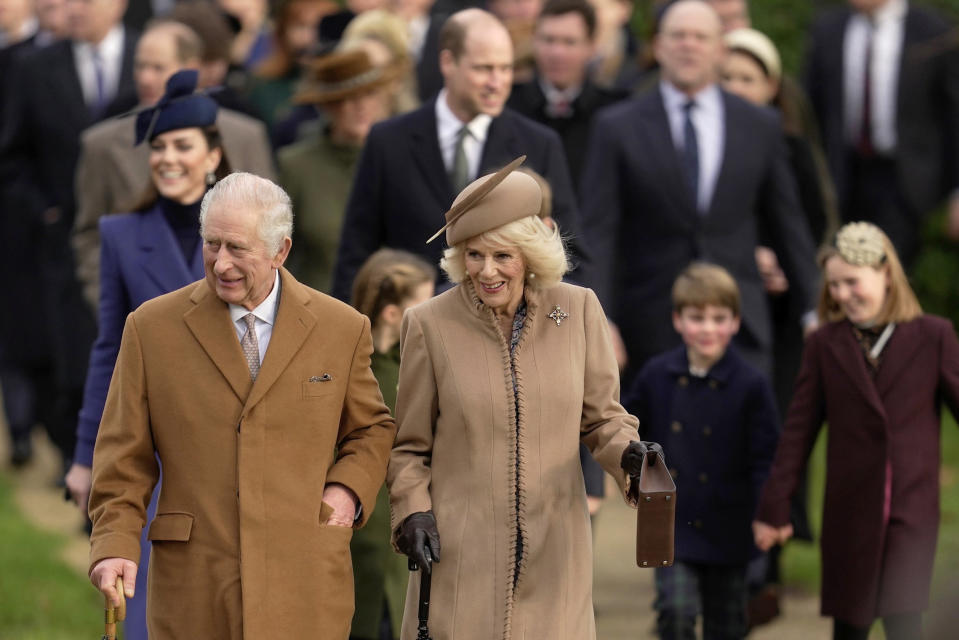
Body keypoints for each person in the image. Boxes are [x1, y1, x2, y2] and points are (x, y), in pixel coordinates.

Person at [86, 171, 397, 638]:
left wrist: (347, 491)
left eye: (238, 249)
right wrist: (113, 544)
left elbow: (370, 429)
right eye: (212, 245)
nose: (221, 263)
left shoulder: (342, 328)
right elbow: (121, 457)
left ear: (281, 251)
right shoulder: (150, 329)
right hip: (196, 584)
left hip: (305, 579)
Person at [387, 160, 660, 639]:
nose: (486, 272)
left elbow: (603, 421)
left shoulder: (579, 311)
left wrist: (629, 456)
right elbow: (409, 447)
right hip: (459, 555)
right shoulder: (429, 324)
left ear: (530, 254)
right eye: (473, 256)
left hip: (555, 552)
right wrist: (413, 509)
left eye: (501, 256)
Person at [65, 68, 230, 640]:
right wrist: (88, 456)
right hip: (157, 457)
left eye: (182, 145)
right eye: (157, 147)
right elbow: (107, 350)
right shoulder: (119, 233)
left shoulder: (253, 235)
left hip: (236, 459)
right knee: (146, 615)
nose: (167, 158)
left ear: (213, 154)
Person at [579, 0, 818, 382]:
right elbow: (599, 230)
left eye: (700, 37)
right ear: (659, 47)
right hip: (650, 326)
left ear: (721, 50)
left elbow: (789, 223)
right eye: (678, 36)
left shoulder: (759, 125)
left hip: (739, 323)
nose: (688, 45)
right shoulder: (616, 126)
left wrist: (813, 310)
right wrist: (600, 317)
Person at [754, 221, 959, 640]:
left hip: (911, 510)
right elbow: (798, 432)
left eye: (852, 282)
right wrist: (775, 504)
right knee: (851, 625)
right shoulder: (825, 344)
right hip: (849, 512)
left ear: (885, 273)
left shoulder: (933, 336)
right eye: (835, 286)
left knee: (905, 621)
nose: (844, 295)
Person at [330, 7, 583, 302]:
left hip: (504, 334)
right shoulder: (388, 141)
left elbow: (569, 253)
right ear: (448, 62)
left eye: (505, 69)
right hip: (408, 333)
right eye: (483, 69)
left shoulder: (538, 144)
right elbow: (355, 253)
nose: (497, 82)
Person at [0, 0, 136, 474]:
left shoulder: (147, 58)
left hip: (138, 243)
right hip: (61, 250)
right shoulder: (35, 67)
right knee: (69, 368)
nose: (74, 8)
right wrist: (48, 212)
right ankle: (80, 461)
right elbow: (12, 156)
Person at [71, 18, 276, 311]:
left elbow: (269, 223)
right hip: (142, 312)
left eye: (158, 68)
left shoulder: (244, 136)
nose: (145, 78)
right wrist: (111, 298)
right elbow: (89, 234)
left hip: (231, 312)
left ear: (191, 68)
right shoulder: (101, 144)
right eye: (140, 66)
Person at [624, 262, 779, 640]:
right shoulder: (657, 375)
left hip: (732, 525)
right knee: (675, 614)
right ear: (678, 320)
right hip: (673, 523)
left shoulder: (751, 384)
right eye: (697, 317)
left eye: (718, 318)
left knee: (726, 626)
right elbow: (627, 427)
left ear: (736, 322)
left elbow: (766, 458)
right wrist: (630, 469)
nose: (708, 328)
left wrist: (769, 514)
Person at [803, 0, 959, 264]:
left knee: (890, 272)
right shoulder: (828, 28)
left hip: (906, 182)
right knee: (843, 267)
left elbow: (953, 114)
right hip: (842, 177)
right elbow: (811, 109)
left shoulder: (933, 29)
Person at [349, 248, 436, 640]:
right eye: (424, 303)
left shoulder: (411, 367)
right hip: (368, 543)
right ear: (391, 314)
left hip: (397, 539)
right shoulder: (366, 375)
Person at [279, 49, 394, 293]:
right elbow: (276, 254)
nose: (362, 106)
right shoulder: (297, 166)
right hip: (320, 311)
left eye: (370, 94)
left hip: (391, 316)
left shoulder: (402, 159)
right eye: (348, 98)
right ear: (328, 106)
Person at [507, 0, 628, 193]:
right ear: (534, 40)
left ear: (592, 46)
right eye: (549, 40)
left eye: (569, 42)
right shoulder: (508, 106)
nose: (557, 53)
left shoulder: (616, 113)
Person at [246, 0, 335, 131]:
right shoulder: (262, 84)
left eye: (318, 27)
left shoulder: (339, 83)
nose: (309, 37)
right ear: (283, 32)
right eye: (300, 26)